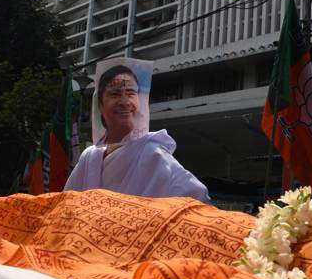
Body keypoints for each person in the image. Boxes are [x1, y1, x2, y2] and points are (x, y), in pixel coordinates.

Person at [65, 59, 210, 202]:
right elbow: (67, 203)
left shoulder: (153, 153)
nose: (124, 102)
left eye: (130, 93)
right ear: (100, 105)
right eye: (115, 94)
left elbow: (195, 198)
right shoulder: (89, 157)